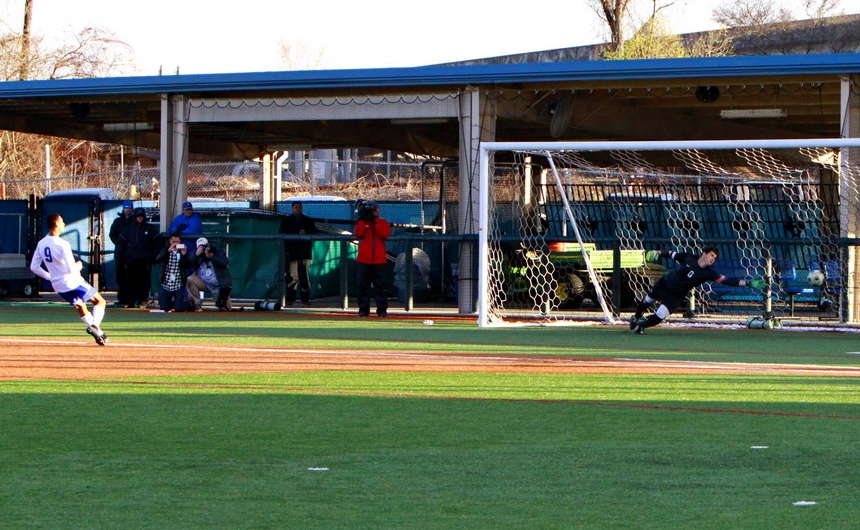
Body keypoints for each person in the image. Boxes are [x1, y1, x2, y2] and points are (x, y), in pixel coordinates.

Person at [629, 246, 767, 334]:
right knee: (647, 301)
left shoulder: (708, 273)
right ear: (704, 253)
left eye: (715, 258)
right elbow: (671, 254)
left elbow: (727, 280)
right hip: (665, 283)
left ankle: (642, 326)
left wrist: (748, 283)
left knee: (661, 314)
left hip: (677, 294)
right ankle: (635, 317)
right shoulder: (688, 257)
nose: (713, 259)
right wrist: (657, 252)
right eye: (712, 255)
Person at [29, 213, 109, 345]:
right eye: (62, 222)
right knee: (100, 301)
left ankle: (99, 333)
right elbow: (71, 269)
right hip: (72, 281)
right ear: (55, 225)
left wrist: (50, 277)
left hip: (58, 285)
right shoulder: (62, 244)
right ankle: (95, 326)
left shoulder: (41, 243)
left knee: (80, 305)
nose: (64, 224)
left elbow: (34, 267)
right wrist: (79, 265)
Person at [354, 200, 391, 317]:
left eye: (375, 210)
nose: (375, 212)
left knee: (380, 286)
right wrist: (363, 222)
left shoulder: (382, 222)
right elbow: (358, 234)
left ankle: (382, 310)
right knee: (362, 286)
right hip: (364, 260)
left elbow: (384, 234)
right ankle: (363, 310)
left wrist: (375, 222)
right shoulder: (362, 222)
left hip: (379, 260)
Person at [116, 208, 158, 308]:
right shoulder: (128, 228)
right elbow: (120, 243)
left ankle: (142, 301)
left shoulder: (150, 229)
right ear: (135, 217)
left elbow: (157, 243)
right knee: (129, 281)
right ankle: (129, 302)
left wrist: (153, 256)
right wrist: (120, 256)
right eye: (138, 216)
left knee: (143, 282)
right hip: (130, 261)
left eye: (142, 216)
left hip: (144, 261)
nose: (140, 218)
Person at [279, 201, 318, 306]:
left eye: (300, 207)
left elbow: (314, 233)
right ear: (292, 208)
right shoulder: (286, 221)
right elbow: (282, 235)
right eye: (296, 207)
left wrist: (306, 233)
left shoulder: (308, 221)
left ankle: (305, 299)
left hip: (305, 253)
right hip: (292, 253)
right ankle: (290, 299)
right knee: (292, 277)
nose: (298, 209)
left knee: (304, 277)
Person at [186, 237, 233, 311]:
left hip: (217, 285)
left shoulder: (217, 252)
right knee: (189, 280)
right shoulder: (197, 254)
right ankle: (196, 304)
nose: (204, 249)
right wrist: (197, 254)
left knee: (225, 308)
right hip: (203, 282)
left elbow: (224, 264)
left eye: (204, 246)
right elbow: (188, 265)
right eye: (201, 247)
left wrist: (212, 257)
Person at [154, 233, 191, 312]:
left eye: (177, 242)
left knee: (179, 309)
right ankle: (173, 303)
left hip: (178, 284)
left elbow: (187, 265)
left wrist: (184, 255)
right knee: (164, 308)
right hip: (166, 284)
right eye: (173, 241)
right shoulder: (165, 250)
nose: (175, 244)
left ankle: (188, 304)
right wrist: (168, 251)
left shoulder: (182, 252)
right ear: (170, 241)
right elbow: (157, 259)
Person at [108, 200, 136, 308]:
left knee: (132, 276)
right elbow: (112, 234)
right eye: (126, 208)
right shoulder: (118, 221)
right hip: (120, 253)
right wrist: (119, 244)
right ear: (123, 209)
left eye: (130, 208)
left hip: (132, 253)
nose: (128, 210)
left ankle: (132, 299)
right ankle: (122, 299)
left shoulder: (135, 221)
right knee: (120, 276)